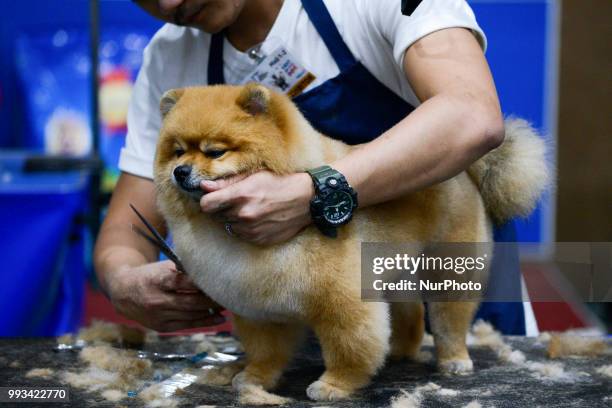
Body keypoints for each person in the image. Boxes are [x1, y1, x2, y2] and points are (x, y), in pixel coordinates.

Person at [95, 0, 529, 334]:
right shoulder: (168, 59)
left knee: (464, 370)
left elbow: (472, 115)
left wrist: (315, 193)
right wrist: (124, 281)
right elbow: (124, 232)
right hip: (309, 340)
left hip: (446, 271)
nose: (169, 5)